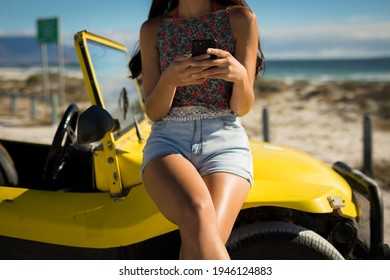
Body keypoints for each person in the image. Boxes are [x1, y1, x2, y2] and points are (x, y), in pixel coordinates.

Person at [129, 0, 264, 260]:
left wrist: (239, 76)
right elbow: (154, 112)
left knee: (200, 243)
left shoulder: (241, 19)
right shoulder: (152, 29)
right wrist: (170, 80)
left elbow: (242, 107)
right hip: (169, 139)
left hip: (225, 140)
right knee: (198, 212)